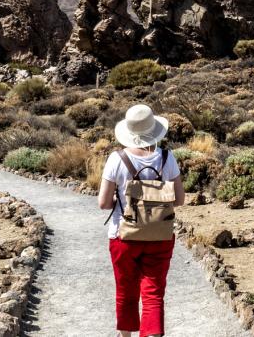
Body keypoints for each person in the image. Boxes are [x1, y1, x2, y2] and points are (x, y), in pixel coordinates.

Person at [98, 104, 185, 337]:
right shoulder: (168, 158)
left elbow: (104, 203)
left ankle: (125, 335)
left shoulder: (117, 159)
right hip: (160, 235)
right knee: (153, 293)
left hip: (123, 236)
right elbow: (179, 200)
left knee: (125, 289)